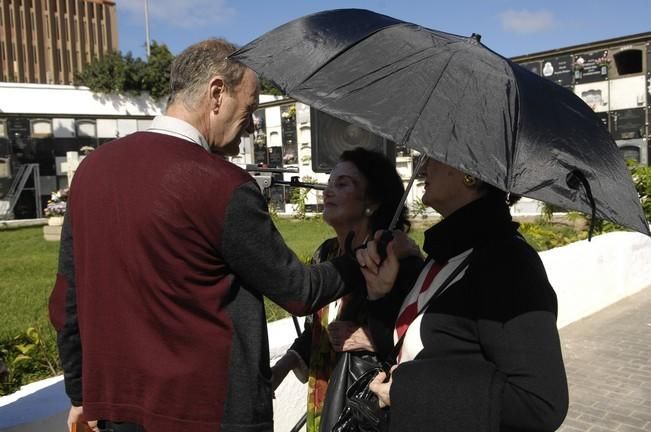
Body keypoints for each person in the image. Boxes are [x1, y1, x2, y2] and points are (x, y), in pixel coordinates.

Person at [47, 38, 363, 432]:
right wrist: (362, 261)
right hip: (209, 413)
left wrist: (81, 394)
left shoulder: (92, 171)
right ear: (217, 93)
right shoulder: (221, 184)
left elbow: (66, 302)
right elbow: (298, 291)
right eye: (248, 108)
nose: (249, 126)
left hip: (115, 411)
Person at [356, 157, 569, 432]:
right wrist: (380, 292)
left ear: (471, 173)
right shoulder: (446, 254)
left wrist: (408, 390)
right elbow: (410, 355)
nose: (421, 168)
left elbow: (540, 404)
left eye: (432, 157)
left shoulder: (509, 264)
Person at [270, 148, 417, 432]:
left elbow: (419, 339)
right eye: (329, 182)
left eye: (343, 184)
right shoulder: (326, 254)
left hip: (366, 410)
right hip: (325, 399)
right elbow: (319, 330)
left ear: (371, 202)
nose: (328, 192)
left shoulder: (397, 262)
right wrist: (285, 364)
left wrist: (374, 338)